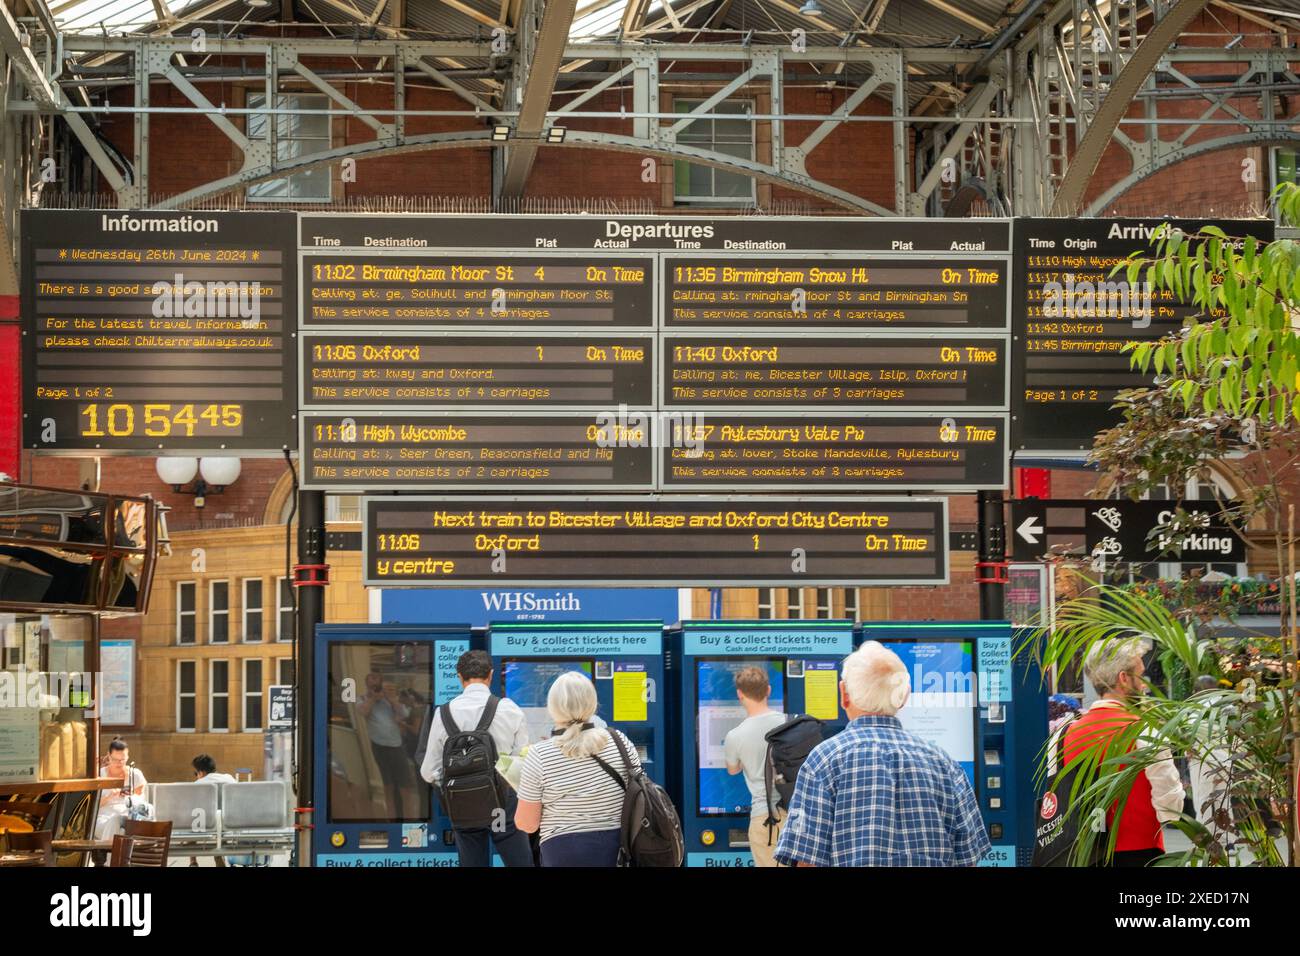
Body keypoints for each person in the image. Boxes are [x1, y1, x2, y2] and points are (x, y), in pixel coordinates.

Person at [774, 642, 989, 867]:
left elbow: (807, 859)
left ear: (843, 694)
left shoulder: (823, 761)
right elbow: (968, 859)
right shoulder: (945, 764)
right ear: (904, 696)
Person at [1063, 637, 1186, 868]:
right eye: (1140, 675)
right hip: (1139, 853)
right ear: (1123, 678)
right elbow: (1171, 806)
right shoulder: (1144, 730)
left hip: (1083, 854)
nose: (1144, 684)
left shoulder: (1067, 733)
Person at [514, 671, 641, 867]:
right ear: (592, 703)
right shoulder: (620, 742)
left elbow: (527, 823)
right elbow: (638, 798)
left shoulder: (539, 754)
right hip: (616, 851)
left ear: (553, 707)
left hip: (562, 854)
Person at [420, 649, 533, 867]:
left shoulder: (442, 714)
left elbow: (428, 772)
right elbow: (523, 765)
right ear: (490, 675)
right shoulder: (509, 709)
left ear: (460, 677)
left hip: (463, 806)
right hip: (503, 806)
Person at [723, 665, 788, 866]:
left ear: (740, 694)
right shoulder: (788, 722)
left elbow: (733, 770)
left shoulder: (734, 736)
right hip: (794, 814)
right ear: (768, 690)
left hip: (764, 817)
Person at [359, 672, 414, 818]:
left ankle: (409, 820)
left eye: (376, 679)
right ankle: (391, 820)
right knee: (388, 787)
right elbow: (363, 712)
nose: (374, 682)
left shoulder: (390, 699)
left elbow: (404, 715)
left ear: (381, 681)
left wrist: (391, 699)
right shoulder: (363, 698)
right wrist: (372, 698)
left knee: (405, 787)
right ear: (366, 684)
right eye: (370, 679)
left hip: (396, 746)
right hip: (379, 747)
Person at [94, 737, 148, 842]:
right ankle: (115, 856)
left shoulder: (135, 775)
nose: (119, 763)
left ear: (127, 757)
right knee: (116, 824)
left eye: (122, 760)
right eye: (115, 759)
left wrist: (129, 797)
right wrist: (108, 797)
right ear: (109, 756)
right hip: (103, 818)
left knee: (120, 825)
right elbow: (92, 806)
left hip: (127, 817)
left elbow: (142, 801)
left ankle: (109, 855)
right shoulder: (99, 775)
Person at [190, 754, 237, 867]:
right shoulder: (229, 778)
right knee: (221, 821)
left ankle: (193, 861)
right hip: (228, 824)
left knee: (191, 820)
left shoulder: (198, 784)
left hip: (204, 826)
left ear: (200, 772)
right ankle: (219, 857)